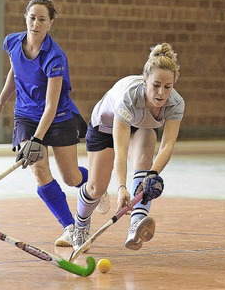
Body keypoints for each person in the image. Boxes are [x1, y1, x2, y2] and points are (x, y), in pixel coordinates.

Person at [0, 0, 93, 248]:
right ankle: (72, 228)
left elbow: (52, 105)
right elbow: (15, 72)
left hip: (58, 117)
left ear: (50, 23)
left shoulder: (55, 57)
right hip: (26, 115)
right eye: (32, 18)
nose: (35, 24)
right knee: (39, 168)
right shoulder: (12, 42)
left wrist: (36, 139)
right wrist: (0, 103)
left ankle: (95, 185)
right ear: (25, 18)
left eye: (42, 19)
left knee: (72, 178)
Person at [71, 42, 185, 253]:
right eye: (156, 85)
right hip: (105, 127)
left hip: (141, 127)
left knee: (147, 148)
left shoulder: (176, 103)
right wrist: (122, 186)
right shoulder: (129, 97)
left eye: (167, 87)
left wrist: (152, 175)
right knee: (96, 187)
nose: (161, 93)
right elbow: (120, 148)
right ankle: (80, 225)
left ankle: (136, 222)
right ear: (145, 81)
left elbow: (168, 144)